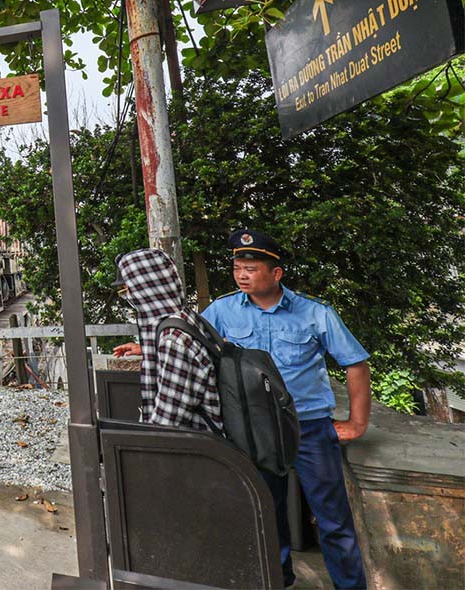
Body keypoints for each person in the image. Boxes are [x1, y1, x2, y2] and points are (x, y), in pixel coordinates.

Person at [201, 229, 369, 590]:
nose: (241, 274)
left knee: (332, 518)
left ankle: (350, 586)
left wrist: (357, 422)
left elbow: (355, 363)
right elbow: (192, 344)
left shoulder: (314, 312)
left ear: (276, 274)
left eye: (251, 268)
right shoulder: (223, 310)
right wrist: (144, 347)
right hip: (256, 430)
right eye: (237, 267)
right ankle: (279, 581)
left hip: (308, 428)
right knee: (265, 511)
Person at [111, 248, 222, 431]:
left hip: (197, 450)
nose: (129, 297)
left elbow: (166, 424)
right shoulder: (183, 318)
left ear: (146, 288)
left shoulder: (174, 341)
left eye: (129, 290)